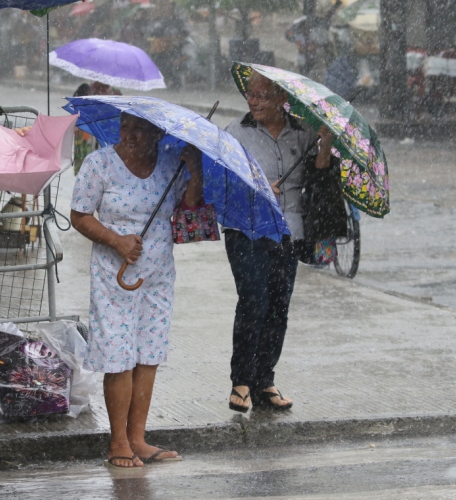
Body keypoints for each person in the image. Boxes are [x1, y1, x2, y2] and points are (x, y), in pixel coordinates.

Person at [70, 113, 202, 469]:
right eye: (125, 126)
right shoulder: (99, 163)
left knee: (149, 353)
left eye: (139, 128)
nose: (130, 134)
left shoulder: (171, 165)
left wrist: (195, 169)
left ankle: (138, 439)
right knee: (118, 354)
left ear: (158, 133)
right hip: (115, 274)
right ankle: (117, 443)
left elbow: (190, 210)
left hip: (158, 273)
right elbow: (79, 215)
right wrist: (116, 240)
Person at [224, 71, 334, 413]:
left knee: (278, 309)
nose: (253, 101)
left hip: (289, 232)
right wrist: (255, 190)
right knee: (253, 302)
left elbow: (319, 174)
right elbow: (222, 185)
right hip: (248, 231)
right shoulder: (235, 134)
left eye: (262, 96)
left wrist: (326, 143)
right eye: (250, 95)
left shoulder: (301, 135)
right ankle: (241, 381)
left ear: (282, 100)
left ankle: (264, 381)